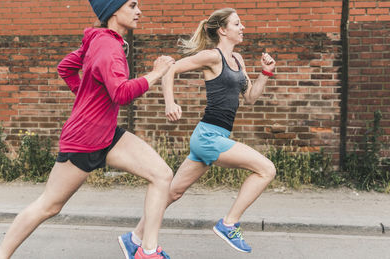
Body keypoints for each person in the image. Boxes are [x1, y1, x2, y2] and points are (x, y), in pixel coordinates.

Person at [0, 1, 174, 259]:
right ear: (113, 11)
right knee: (49, 205)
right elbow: (121, 93)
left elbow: (65, 68)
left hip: (107, 134)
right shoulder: (108, 47)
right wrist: (156, 73)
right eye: (132, 5)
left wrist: (87, 99)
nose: (139, 11)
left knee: (162, 175)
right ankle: (1, 254)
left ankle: (147, 249)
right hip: (84, 140)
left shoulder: (99, 40)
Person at [118, 7, 277, 256]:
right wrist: (170, 103)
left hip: (215, 136)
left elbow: (250, 98)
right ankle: (229, 224)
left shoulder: (238, 60)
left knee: (173, 192)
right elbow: (169, 69)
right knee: (267, 169)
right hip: (208, 138)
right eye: (237, 24)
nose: (242, 27)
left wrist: (265, 72)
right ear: (223, 30)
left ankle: (134, 237)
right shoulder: (212, 57)